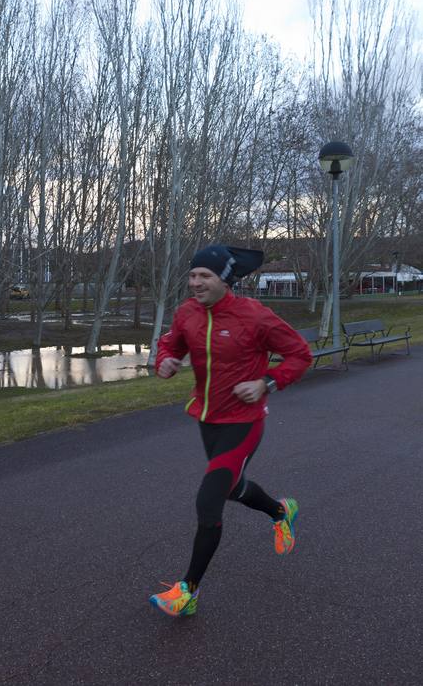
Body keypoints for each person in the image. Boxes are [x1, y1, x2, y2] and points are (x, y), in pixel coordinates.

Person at [149, 244, 312, 618]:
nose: (195, 282)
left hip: (244, 422)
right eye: (192, 275)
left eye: (205, 276)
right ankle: (280, 512)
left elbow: (300, 354)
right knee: (233, 487)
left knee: (209, 501)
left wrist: (267, 383)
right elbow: (170, 342)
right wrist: (166, 361)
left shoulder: (254, 316)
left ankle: (187, 592)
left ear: (225, 280)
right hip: (208, 419)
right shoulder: (187, 313)